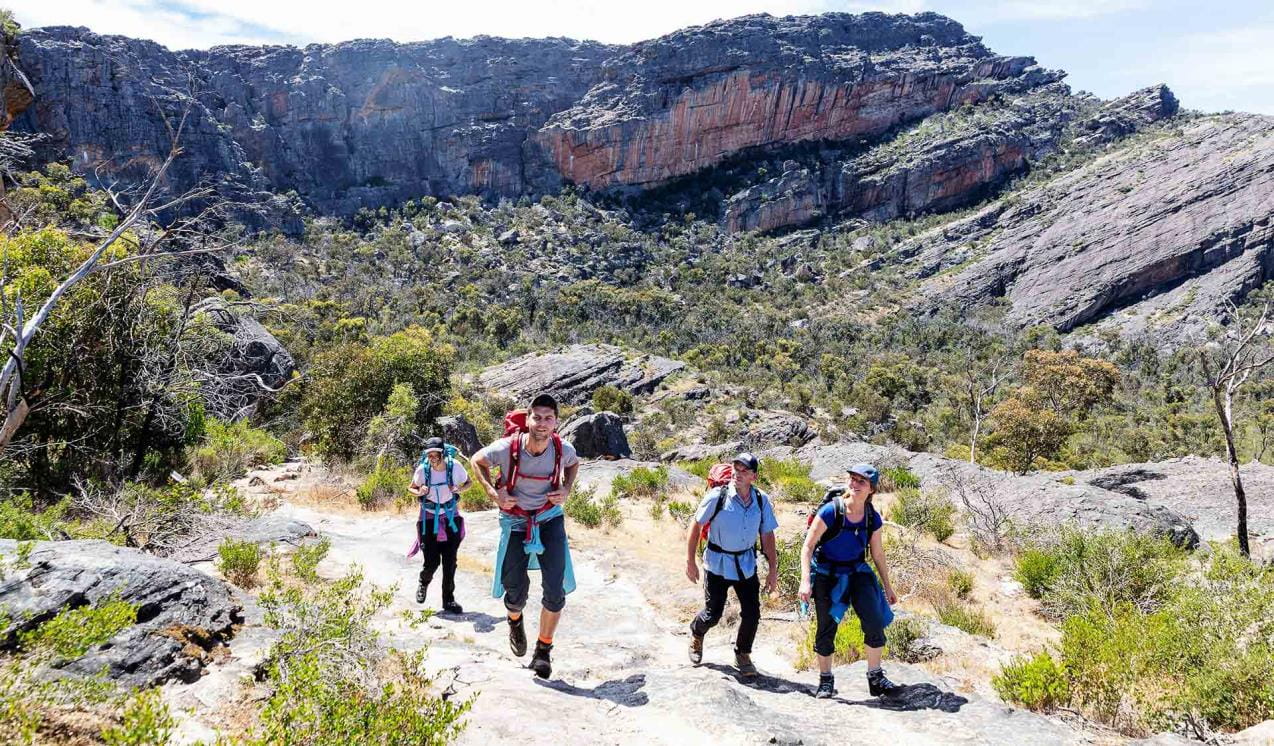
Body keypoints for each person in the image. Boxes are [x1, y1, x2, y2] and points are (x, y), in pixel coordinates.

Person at [470, 393, 580, 679]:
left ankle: (543, 651)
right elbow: (476, 460)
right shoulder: (507, 447)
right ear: (528, 419)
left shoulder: (562, 448)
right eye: (537, 417)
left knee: (555, 590)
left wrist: (566, 490)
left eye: (549, 419)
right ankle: (515, 619)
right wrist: (493, 493)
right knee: (515, 590)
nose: (542, 424)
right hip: (517, 522)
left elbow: (574, 463)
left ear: (556, 423)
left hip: (549, 519)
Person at [798, 462, 902, 699]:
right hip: (827, 574)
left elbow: (877, 553)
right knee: (826, 627)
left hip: (857, 572)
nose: (855, 484)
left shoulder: (871, 518)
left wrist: (888, 586)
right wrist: (806, 580)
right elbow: (808, 546)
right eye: (852, 479)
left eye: (861, 481)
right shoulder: (831, 511)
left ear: (871, 489)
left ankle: (875, 677)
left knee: (874, 620)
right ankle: (825, 681)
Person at [685, 452, 779, 679]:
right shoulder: (718, 496)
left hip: (746, 564)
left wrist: (773, 570)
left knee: (752, 613)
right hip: (717, 565)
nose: (738, 473)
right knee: (713, 613)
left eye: (744, 470)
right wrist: (690, 561)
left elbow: (767, 536)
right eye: (736, 468)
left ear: (753, 476)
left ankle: (742, 654)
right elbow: (696, 526)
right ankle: (697, 633)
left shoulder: (761, 500)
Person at [408, 437, 470, 614]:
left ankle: (448, 601)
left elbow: (468, 483)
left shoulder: (455, 467)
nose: (432, 457)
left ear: (442, 453)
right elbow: (411, 487)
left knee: (450, 562)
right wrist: (419, 491)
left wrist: (459, 489)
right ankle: (423, 582)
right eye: (429, 454)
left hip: (450, 517)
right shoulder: (423, 469)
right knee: (432, 562)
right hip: (428, 520)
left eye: (436, 454)